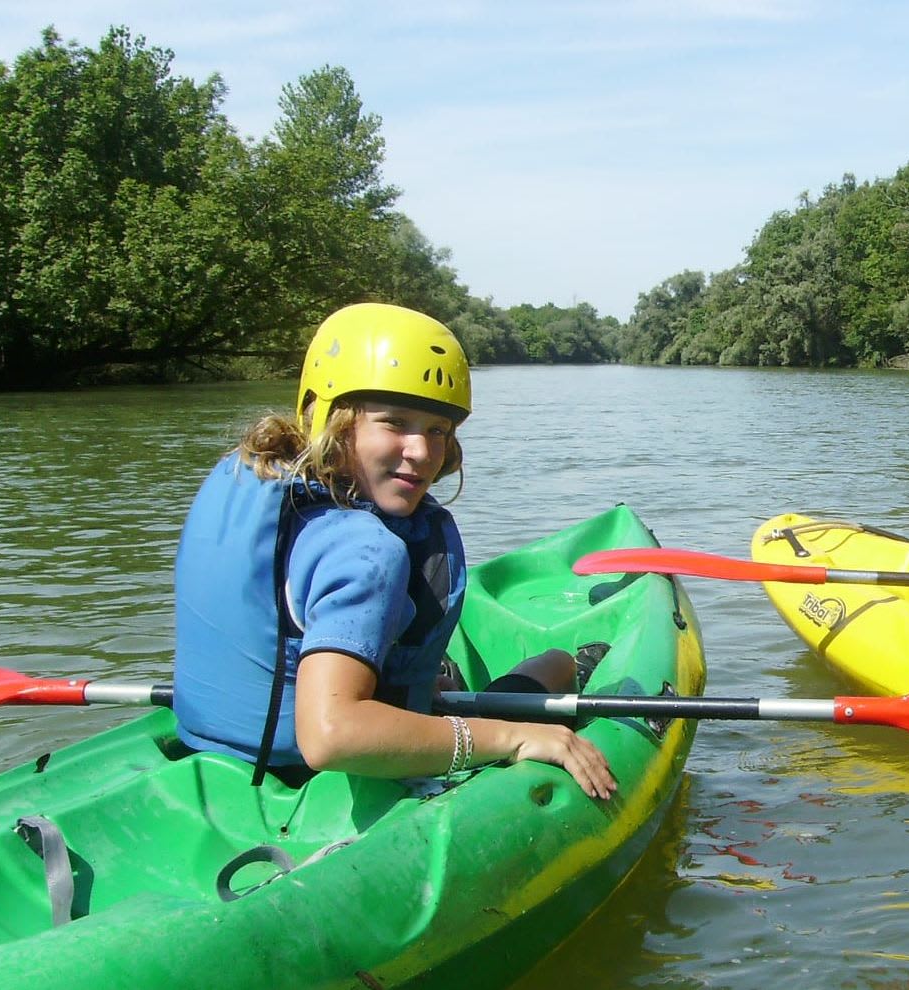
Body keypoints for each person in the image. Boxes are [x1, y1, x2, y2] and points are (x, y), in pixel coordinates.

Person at [172, 302, 615, 798]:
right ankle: (582, 665)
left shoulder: (241, 476)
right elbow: (331, 735)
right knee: (554, 663)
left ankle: (431, 677)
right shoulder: (365, 551)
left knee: (473, 673)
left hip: (217, 762)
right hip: (322, 779)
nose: (422, 452)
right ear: (335, 422)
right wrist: (513, 737)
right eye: (394, 422)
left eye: (438, 430)